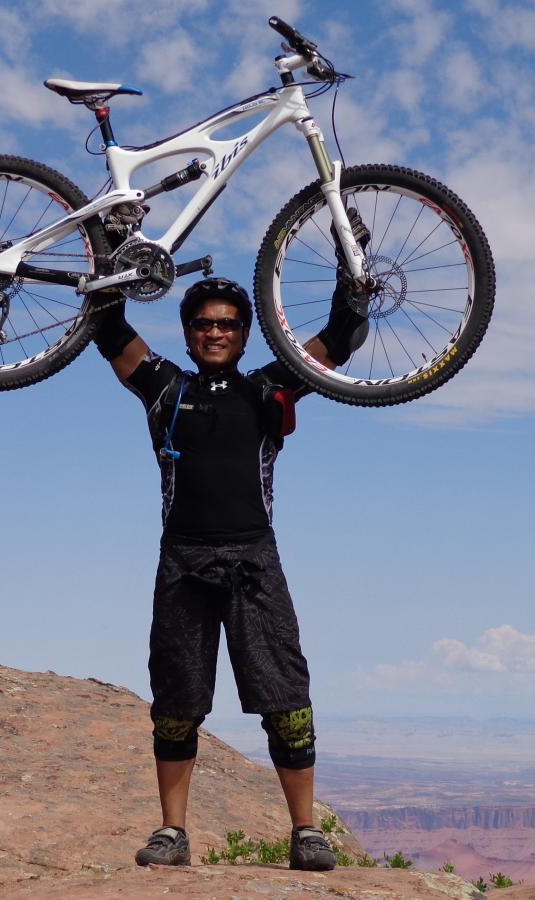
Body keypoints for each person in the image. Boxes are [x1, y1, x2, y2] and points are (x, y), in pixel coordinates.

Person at [91, 210, 370, 872]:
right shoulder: (164, 387)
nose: (214, 331)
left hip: (254, 560)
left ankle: (305, 832)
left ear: (245, 332)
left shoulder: (270, 386)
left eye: (226, 323)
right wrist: (107, 246)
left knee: (287, 699)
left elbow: (342, 337)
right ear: (188, 333)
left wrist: (349, 259)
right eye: (202, 323)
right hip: (182, 562)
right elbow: (108, 328)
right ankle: (172, 832)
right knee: (176, 703)